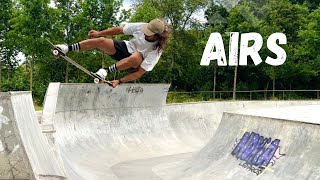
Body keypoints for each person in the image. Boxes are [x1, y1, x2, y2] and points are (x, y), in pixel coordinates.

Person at [55, 18, 170, 88]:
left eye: (148, 33)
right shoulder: (141, 26)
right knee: (102, 41)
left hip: (135, 65)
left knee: (137, 56)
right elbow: (119, 29)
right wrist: (99, 33)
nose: (145, 33)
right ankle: (67, 48)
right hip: (126, 49)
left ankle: (105, 71)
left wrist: (119, 81)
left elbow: (139, 73)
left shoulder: (156, 50)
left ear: (157, 35)